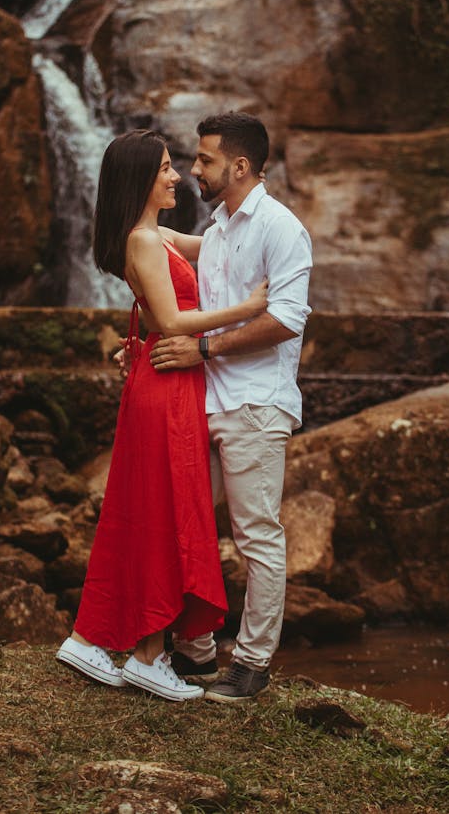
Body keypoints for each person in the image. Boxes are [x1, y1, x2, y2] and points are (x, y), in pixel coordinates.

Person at [56, 128, 268, 703]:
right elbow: (170, 323)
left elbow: (220, 244)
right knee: (164, 513)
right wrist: (247, 310)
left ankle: (112, 642)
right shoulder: (144, 242)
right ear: (141, 178)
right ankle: (144, 654)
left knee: (152, 511)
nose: (178, 177)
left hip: (169, 382)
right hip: (168, 384)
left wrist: (260, 211)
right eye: (167, 168)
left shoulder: (156, 236)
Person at [149, 112, 312, 704]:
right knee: (184, 524)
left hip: (254, 404)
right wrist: (143, 228)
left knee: (255, 536)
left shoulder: (281, 228)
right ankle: (194, 651)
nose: (195, 169)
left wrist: (204, 348)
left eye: (205, 159)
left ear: (239, 166)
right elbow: (194, 255)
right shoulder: (218, 225)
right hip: (206, 401)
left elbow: (285, 319)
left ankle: (252, 663)